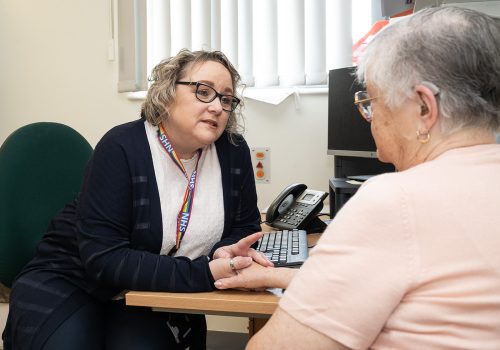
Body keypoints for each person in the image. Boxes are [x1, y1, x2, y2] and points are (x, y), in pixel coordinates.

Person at [214, 6, 500, 349]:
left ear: (424, 107)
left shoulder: (395, 201)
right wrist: (276, 275)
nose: (371, 119)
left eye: (372, 103)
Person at [2, 49, 272, 350]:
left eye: (226, 99)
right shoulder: (122, 147)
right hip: (72, 276)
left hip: (151, 288)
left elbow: (244, 226)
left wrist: (224, 252)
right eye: (204, 92)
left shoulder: (233, 152)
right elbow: (104, 259)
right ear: (167, 93)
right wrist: (203, 272)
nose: (218, 107)